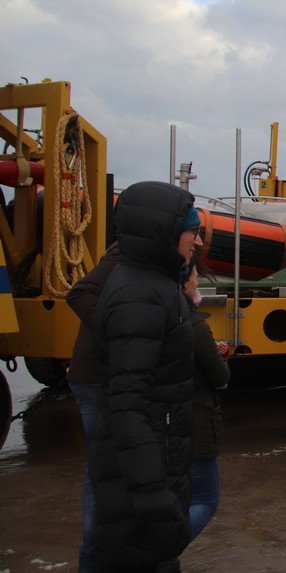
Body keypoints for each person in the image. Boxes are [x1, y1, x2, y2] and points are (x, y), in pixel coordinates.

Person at [90, 181, 201, 570]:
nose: (197, 242)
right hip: (145, 473)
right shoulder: (142, 296)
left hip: (156, 457)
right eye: (193, 231)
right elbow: (128, 405)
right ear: (166, 232)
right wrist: (153, 493)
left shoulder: (150, 284)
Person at [66, 243, 121, 573]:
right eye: (192, 231)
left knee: (104, 466)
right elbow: (80, 294)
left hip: (101, 376)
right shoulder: (126, 254)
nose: (198, 240)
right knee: (102, 466)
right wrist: (120, 328)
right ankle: (95, 554)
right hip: (98, 378)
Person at [182, 261, 230, 543]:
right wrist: (218, 356)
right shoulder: (196, 326)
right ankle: (161, 552)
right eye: (197, 275)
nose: (199, 280)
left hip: (170, 424)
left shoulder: (164, 316)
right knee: (206, 500)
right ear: (187, 281)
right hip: (198, 424)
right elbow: (219, 377)